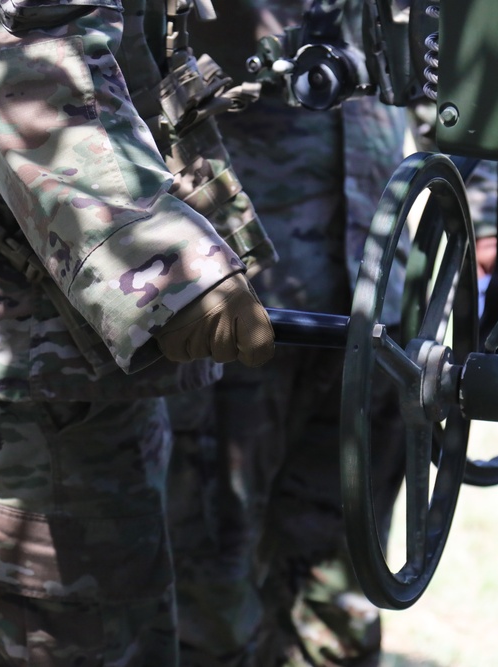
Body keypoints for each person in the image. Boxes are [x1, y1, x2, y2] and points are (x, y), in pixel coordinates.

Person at [0, 0, 274, 664]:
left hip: (58, 338)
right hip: (20, 343)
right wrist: (168, 273)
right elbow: (30, 65)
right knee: (70, 637)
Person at [165, 1, 411, 665]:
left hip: (373, 295)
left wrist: (474, 219)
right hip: (239, 301)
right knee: (213, 584)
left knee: (340, 593)